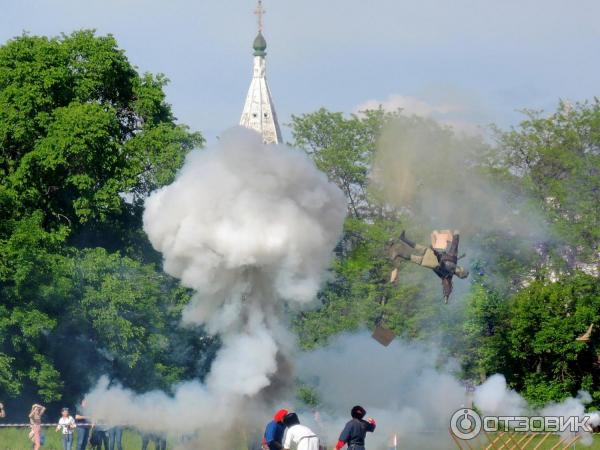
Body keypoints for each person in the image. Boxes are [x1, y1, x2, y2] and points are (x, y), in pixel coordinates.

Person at [388, 230, 469, 303]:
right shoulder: (452, 263)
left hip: (431, 260)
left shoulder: (448, 275)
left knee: (413, 256)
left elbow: (446, 286)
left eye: (461, 272)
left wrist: (446, 297)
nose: (460, 271)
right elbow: (454, 245)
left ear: (460, 272)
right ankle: (403, 239)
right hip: (430, 256)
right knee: (416, 247)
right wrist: (456, 235)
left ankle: (399, 251)